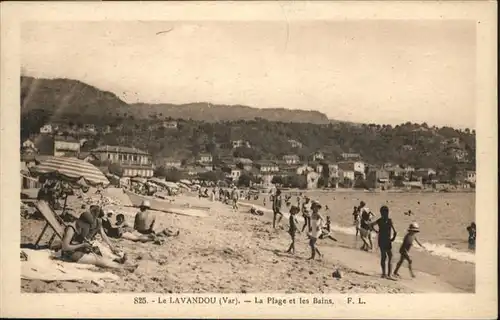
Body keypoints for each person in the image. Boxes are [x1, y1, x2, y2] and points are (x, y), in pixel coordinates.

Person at [60, 205, 136, 271]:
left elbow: (80, 240)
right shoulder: (71, 228)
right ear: (82, 222)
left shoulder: (80, 226)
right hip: (70, 255)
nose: (87, 228)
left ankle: (120, 263)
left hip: (78, 250)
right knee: (97, 259)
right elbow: (65, 247)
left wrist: (84, 244)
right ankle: (124, 267)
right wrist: (82, 245)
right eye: (87, 226)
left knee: (98, 255)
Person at [369, 206, 397, 278]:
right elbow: (395, 232)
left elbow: (371, 225)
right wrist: (393, 238)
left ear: (381, 213)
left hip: (381, 240)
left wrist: (376, 231)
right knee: (390, 256)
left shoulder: (380, 220)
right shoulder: (389, 220)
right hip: (387, 240)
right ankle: (389, 274)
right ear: (387, 212)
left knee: (384, 257)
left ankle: (384, 274)